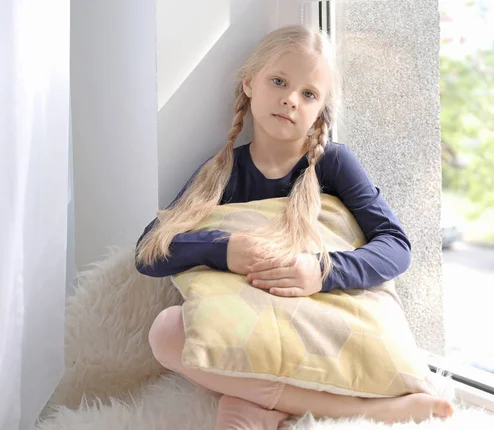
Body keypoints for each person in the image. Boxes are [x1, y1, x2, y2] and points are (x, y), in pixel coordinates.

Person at [135, 25, 454, 430]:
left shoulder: (334, 163)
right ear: (249, 83)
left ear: (321, 108)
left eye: (308, 94)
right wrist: (224, 249)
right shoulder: (223, 172)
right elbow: (149, 249)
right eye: (279, 81)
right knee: (166, 331)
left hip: (316, 322)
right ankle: (342, 409)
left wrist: (320, 270)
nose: (290, 99)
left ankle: (253, 401)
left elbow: (396, 246)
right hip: (257, 326)